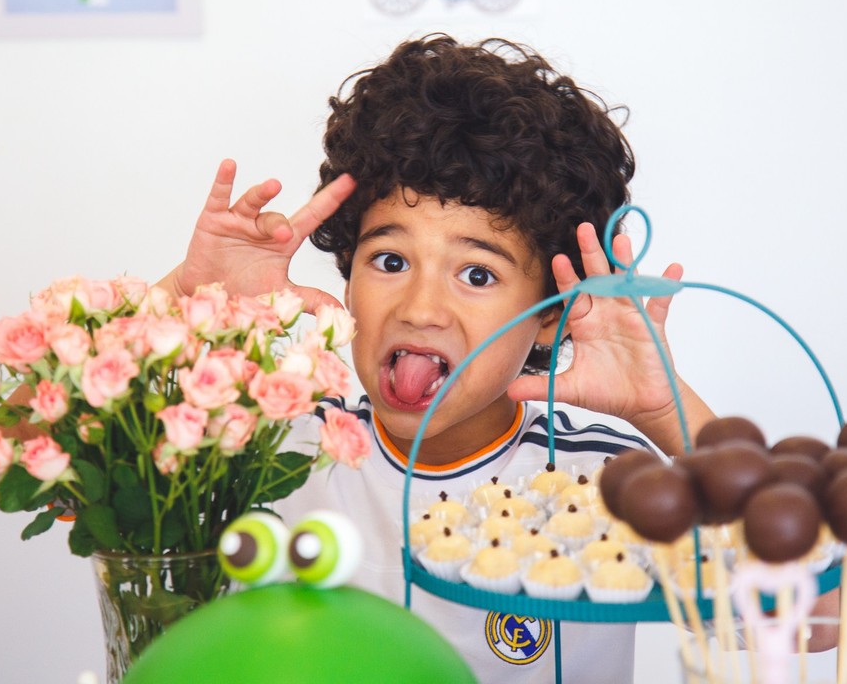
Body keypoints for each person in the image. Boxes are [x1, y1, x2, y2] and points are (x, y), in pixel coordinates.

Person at [159, 35, 714, 681]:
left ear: (548, 316)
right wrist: (177, 299)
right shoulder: (271, 451)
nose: (421, 307)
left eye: (477, 275)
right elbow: (26, 440)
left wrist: (664, 407)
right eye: (390, 261)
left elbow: (821, 606)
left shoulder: (604, 480)